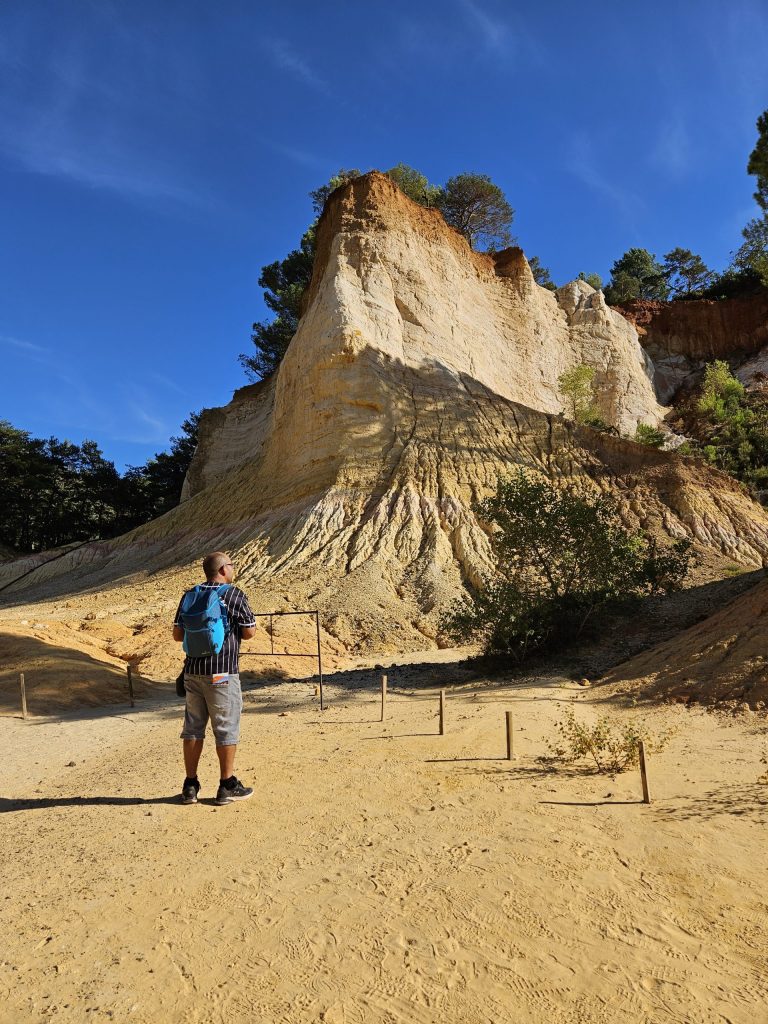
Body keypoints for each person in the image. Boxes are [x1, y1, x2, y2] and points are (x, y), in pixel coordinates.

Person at [173, 551, 257, 806]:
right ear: (222, 570)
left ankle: (190, 786)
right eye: (231, 565)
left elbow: (178, 634)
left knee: (192, 728)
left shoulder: (189, 595)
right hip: (222, 673)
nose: (233, 569)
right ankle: (226, 785)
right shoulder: (233, 594)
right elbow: (250, 632)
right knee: (225, 728)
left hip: (192, 672)